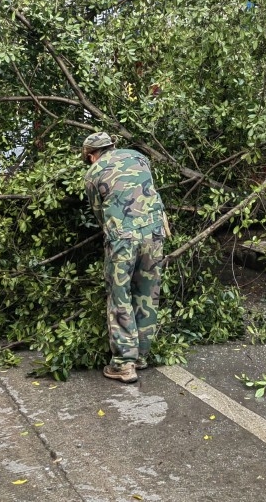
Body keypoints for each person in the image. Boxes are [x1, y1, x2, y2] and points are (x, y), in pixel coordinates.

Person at [82, 131, 169, 384]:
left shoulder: (93, 172)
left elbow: (100, 215)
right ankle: (141, 356)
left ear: (90, 156)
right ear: (113, 145)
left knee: (119, 296)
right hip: (154, 234)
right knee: (147, 293)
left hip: (123, 239)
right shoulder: (139, 157)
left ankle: (123, 364)